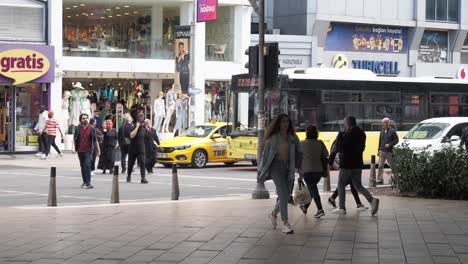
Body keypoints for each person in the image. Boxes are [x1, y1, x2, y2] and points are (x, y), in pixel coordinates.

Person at [258, 114, 298, 234]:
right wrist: (261, 171)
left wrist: (299, 168)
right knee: (283, 194)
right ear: (278, 124)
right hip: (276, 167)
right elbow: (265, 156)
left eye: (287, 122)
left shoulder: (292, 138)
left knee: (285, 195)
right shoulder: (272, 139)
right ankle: (285, 223)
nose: (285, 124)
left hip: (288, 167)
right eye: (282, 122)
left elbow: (298, 152)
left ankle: (273, 214)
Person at [332, 116, 379, 216]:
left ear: (348, 124)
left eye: (345, 123)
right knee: (358, 185)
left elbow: (340, 146)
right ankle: (372, 200)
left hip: (346, 164)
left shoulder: (347, 135)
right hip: (357, 163)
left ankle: (341, 207)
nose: (344, 126)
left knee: (341, 184)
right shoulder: (362, 133)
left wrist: (340, 134)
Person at [328, 139, 369, 211]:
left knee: (349, 183)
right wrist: (330, 163)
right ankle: (360, 203)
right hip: (347, 164)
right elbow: (334, 150)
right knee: (350, 183)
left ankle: (333, 198)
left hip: (347, 164)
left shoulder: (345, 135)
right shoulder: (344, 135)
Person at [298, 126, 327, 218]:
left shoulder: (302, 143)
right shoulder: (320, 143)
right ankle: (305, 207)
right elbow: (326, 154)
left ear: (307, 133)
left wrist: (300, 175)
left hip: (307, 171)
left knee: (313, 190)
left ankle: (320, 209)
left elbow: (299, 159)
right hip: (318, 171)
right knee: (312, 190)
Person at [74, 113, 100, 189]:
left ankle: (88, 183)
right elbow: (75, 138)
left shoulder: (92, 128)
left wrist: (98, 151)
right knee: (82, 166)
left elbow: (95, 140)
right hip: (80, 150)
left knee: (87, 165)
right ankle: (85, 181)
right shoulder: (78, 128)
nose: (85, 119)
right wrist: (74, 148)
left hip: (89, 150)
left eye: (86, 118)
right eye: (83, 118)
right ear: (80, 120)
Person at [127, 114, 148, 184]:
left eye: (141, 122)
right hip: (133, 149)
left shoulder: (144, 130)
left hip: (141, 149)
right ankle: (128, 175)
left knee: (142, 162)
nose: (140, 124)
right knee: (131, 163)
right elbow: (131, 136)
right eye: (139, 122)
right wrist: (136, 128)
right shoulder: (132, 128)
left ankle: (143, 177)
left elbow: (146, 139)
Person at [377, 117, 399, 184]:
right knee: (380, 166)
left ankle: (396, 178)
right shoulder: (382, 130)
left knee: (392, 165)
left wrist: (390, 144)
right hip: (382, 151)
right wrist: (378, 150)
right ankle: (380, 180)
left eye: (385, 123)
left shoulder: (392, 131)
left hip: (389, 151)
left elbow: (396, 140)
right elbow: (380, 141)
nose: (384, 124)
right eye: (383, 123)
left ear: (388, 123)